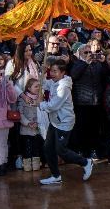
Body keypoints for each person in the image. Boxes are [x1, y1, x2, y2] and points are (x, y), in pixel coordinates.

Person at [39, 57, 92, 186]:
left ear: (63, 73)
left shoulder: (64, 87)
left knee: (61, 150)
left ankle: (85, 162)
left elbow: (53, 105)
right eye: (51, 71)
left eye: (55, 71)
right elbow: (44, 84)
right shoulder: (53, 81)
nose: (52, 73)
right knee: (47, 148)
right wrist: (40, 74)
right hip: (54, 121)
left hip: (64, 122)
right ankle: (56, 175)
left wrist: (40, 104)